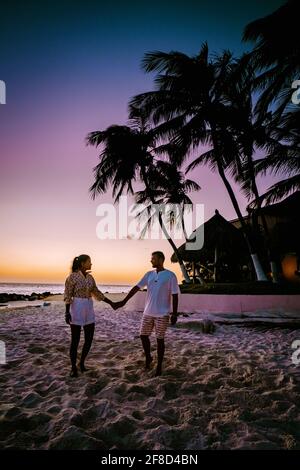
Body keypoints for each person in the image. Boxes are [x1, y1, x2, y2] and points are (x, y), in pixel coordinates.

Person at [114, 251, 180, 376]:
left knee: (160, 340)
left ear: (161, 260)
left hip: (162, 314)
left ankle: (159, 365)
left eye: (153, 259)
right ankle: (149, 357)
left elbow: (175, 295)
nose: (151, 261)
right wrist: (124, 301)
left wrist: (174, 314)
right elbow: (136, 287)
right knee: (143, 336)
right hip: (148, 312)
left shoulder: (170, 275)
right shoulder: (149, 274)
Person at [64, 254, 115, 377]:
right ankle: (73, 368)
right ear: (82, 263)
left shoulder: (91, 278)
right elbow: (68, 295)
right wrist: (67, 312)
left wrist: (111, 303)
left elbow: (96, 293)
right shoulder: (72, 277)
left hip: (89, 307)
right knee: (75, 340)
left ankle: (81, 363)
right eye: (89, 262)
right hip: (76, 307)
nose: (91, 264)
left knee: (89, 339)